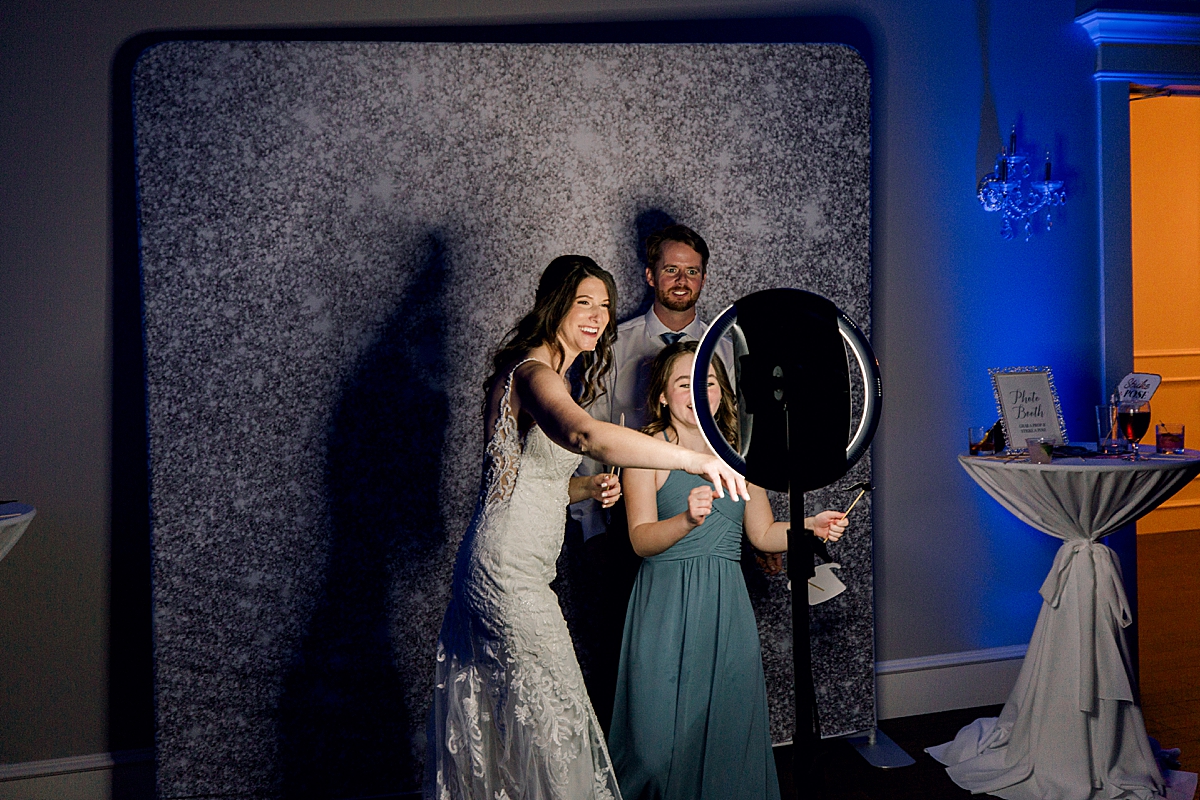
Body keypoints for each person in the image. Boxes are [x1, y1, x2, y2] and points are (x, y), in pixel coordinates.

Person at [425, 256, 750, 800]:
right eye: (584, 303)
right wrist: (695, 461)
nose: (599, 316)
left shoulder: (552, 375)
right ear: (554, 305)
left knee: (519, 720)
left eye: (605, 305)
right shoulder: (532, 373)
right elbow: (583, 437)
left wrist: (582, 489)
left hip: (503, 560)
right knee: (559, 721)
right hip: (508, 571)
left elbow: (520, 478)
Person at [608, 341, 847, 800]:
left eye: (709, 382)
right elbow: (640, 540)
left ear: (722, 392)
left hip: (725, 607)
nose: (699, 393)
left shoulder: (741, 454)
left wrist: (809, 527)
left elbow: (761, 533)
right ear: (661, 395)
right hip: (665, 606)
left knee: (725, 736)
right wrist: (685, 520)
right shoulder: (644, 451)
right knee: (655, 750)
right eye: (684, 383)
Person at [566, 224, 739, 731]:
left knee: (700, 664)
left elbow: (733, 433)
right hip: (618, 522)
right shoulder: (614, 341)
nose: (682, 280)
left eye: (692, 271)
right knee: (625, 660)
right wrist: (590, 522)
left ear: (703, 277)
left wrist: (755, 526)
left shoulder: (723, 345)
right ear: (650, 275)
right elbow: (587, 433)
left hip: (698, 525)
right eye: (671, 269)